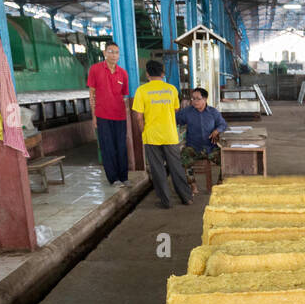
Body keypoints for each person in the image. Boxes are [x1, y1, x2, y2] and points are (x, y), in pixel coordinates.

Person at [132, 59, 194, 209]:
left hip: (152, 136)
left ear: (147, 74)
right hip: (170, 135)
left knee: (158, 169)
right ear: (163, 73)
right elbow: (176, 109)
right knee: (176, 167)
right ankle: (186, 197)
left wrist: (144, 131)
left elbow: (138, 116)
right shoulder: (171, 89)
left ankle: (166, 201)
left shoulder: (141, 91)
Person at [88, 42, 130, 187]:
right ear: (105, 53)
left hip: (120, 117)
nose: (114, 55)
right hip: (102, 116)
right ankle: (113, 178)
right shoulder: (95, 69)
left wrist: (125, 116)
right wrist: (94, 116)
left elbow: (124, 97)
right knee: (108, 148)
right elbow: (92, 94)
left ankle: (124, 177)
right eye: (111, 51)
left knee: (121, 147)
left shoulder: (123, 73)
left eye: (116, 52)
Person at [176, 86, 229, 193]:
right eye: (193, 99)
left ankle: (219, 184)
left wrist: (217, 130)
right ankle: (193, 185)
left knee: (227, 160)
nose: (194, 101)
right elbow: (174, 119)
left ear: (205, 99)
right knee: (183, 157)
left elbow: (223, 124)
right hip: (194, 148)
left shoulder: (213, 112)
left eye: (197, 99)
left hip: (211, 148)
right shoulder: (187, 112)